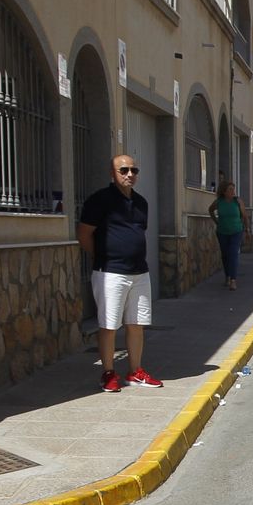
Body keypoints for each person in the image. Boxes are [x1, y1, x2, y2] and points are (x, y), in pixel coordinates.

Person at [77, 155, 162, 392]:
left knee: (136, 324)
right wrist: (102, 257)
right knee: (109, 324)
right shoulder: (100, 200)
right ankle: (108, 373)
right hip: (110, 273)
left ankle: (135, 371)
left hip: (139, 272)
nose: (129, 174)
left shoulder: (141, 203)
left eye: (134, 170)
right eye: (123, 170)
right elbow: (84, 234)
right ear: (112, 173)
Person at [207, 180, 245, 291]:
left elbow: (244, 215)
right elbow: (210, 210)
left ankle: (233, 280)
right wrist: (216, 222)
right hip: (222, 232)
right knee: (225, 255)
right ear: (224, 192)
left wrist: (245, 229)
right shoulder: (219, 202)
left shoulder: (237, 201)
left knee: (233, 253)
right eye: (230, 189)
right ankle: (227, 276)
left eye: (233, 189)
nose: (233, 191)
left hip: (236, 231)